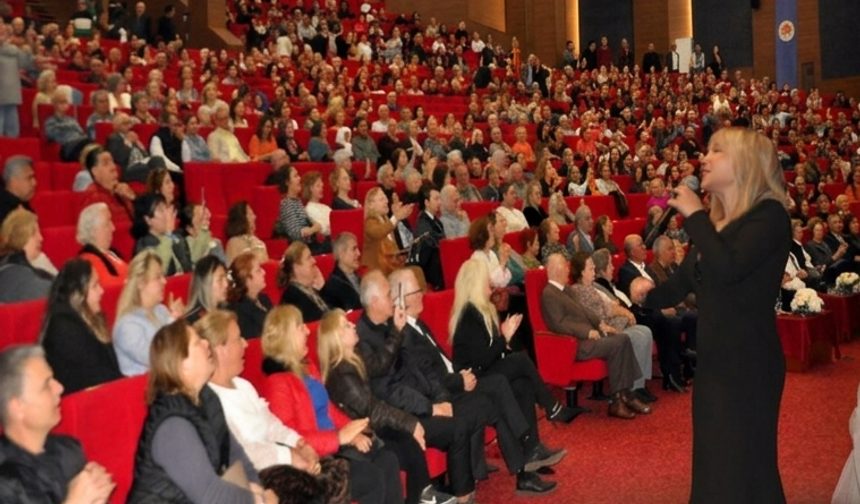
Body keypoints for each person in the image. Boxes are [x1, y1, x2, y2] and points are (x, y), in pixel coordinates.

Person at [634, 128, 790, 503]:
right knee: (713, 465)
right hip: (716, 364)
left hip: (750, 365)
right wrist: (646, 295)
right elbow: (686, 281)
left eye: (716, 150)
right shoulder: (716, 225)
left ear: (745, 164)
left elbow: (728, 268)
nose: (704, 157)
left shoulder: (769, 217)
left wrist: (695, 215)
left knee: (744, 468)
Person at [390, 268, 559, 495]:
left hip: (458, 380)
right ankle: (527, 453)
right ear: (401, 299)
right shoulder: (403, 335)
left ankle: (526, 462)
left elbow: (443, 366)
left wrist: (461, 377)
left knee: (509, 387)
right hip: (446, 393)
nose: (422, 294)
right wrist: (460, 381)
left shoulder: (418, 325)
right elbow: (427, 381)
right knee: (498, 387)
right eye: (416, 291)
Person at [199, 310, 350, 504]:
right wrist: (290, 456)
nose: (245, 344)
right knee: (330, 483)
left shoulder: (243, 386)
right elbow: (242, 454)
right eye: (238, 339)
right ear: (221, 349)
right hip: (257, 477)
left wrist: (299, 444)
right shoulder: (209, 402)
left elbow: (271, 425)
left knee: (337, 471)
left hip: (278, 460)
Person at [259, 305, 404, 504]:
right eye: (301, 327)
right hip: (317, 457)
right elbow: (291, 438)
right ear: (287, 336)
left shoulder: (307, 366)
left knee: (388, 459)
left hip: (334, 444)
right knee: (371, 477)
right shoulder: (277, 382)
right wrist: (339, 438)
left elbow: (329, 409)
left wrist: (353, 433)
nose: (308, 331)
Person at [126, 318, 278, 504]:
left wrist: (260, 490)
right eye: (198, 342)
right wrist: (255, 500)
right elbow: (209, 495)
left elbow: (235, 456)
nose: (206, 343)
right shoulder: (173, 427)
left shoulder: (206, 398)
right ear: (183, 365)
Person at [319, 307, 458, 504]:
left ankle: (423, 497)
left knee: (408, 441)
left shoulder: (353, 358)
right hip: (361, 434)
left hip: (371, 426)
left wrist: (396, 331)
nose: (352, 325)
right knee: (403, 444)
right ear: (336, 338)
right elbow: (371, 410)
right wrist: (410, 423)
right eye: (346, 325)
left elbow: (381, 364)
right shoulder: (342, 373)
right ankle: (423, 497)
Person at [450, 258, 582, 425]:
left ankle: (533, 445)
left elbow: (490, 352)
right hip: (473, 378)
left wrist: (505, 339)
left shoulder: (482, 310)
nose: (490, 283)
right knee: (519, 360)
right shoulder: (469, 315)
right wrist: (504, 337)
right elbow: (483, 359)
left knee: (523, 382)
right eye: (486, 280)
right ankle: (552, 407)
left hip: (485, 368)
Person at [0, 345, 116, 503]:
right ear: (18, 407)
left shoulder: (68, 450)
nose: (59, 388)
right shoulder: (6, 481)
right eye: (46, 385)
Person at [541, 253, 648, 419]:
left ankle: (625, 394)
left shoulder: (566, 290)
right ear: (555, 269)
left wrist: (599, 324)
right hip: (575, 344)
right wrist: (586, 331)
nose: (568, 268)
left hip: (586, 339)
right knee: (619, 342)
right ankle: (617, 401)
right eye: (564, 265)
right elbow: (558, 324)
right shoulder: (549, 294)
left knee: (623, 339)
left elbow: (585, 311)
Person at [568, 251, 656, 403]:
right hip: (605, 329)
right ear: (581, 271)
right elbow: (602, 314)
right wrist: (623, 314)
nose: (594, 271)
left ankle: (640, 385)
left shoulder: (592, 286)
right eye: (591, 268)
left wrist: (617, 311)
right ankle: (634, 388)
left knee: (646, 331)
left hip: (614, 323)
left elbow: (611, 306)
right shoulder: (579, 290)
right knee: (639, 337)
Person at [39, 258, 122, 395]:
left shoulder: (87, 319)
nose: (101, 291)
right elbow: (97, 377)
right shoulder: (64, 329)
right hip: (81, 403)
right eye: (95, 286)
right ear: (78, 294)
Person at [112, 250, 184, 376]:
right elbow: (158, 359)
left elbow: (181, 349)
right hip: (142, 391)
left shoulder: (161, 310)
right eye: (157, 277)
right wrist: (173, 322)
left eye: (163, 276)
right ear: (140, 283)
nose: (164, 281)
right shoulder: (127, 325)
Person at [132, 193, 193, 276]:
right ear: (148, 220)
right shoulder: (144, 244)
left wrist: (201, 229)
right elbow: (158, 272)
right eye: (161, 210)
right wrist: (168, 232)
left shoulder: (173, 236)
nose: (167, 214)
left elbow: (191, 261)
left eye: (166, 208)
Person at [0, 208, 54, 302]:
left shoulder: (15, 267)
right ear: (20, 236)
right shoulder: (17, 275)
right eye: (34, 233)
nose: (40, 238)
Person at [277, 165, 331, 255]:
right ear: (287, 182)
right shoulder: (287, 204)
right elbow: (296, 233)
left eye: (298, 175)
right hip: (301, 250)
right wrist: (314, 228)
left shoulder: (297, 201)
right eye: (295, 176)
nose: (299, 178)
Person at [362, 187, 412, 275]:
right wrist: (396, 217)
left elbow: (394, 246)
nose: (386, 201)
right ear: (371, 205)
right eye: (381, 199)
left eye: (385, 198)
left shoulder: (385, 220)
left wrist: (398, 218)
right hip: (377, 270)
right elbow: (379, 232)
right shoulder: (369, 222)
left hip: (390, 265)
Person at [81, 146, 136, 223]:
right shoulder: (92, 198)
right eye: (106, 163)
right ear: (95, 171)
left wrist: (133, 199)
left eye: (112, 162)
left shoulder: (121, 191)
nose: (113, 167)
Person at [278, 241, 329, 322]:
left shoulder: (310, 289)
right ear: (296, 267)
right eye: (308, 258)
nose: (314, 261)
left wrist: (323, 288)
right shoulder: (292, 297)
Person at [77, 202, 129, 281]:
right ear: (93, 230)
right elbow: (110, 287)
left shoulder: (110, 253)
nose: (113, 228)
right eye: (107, 223)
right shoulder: (89, 261)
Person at [226, 251, 273, 338]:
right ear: (247, 279)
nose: (264, 272)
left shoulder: (264, 298)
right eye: (258, 270)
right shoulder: (239, 311)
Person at [412, 185, 446, 289]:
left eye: (440, 198)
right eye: (436, 199)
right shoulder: (423, 223)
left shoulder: (436, 221)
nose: (440, 202)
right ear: (426, 202)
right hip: (431, 269)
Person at [320, 232, 363, 311]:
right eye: (354, 249)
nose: (358, 253)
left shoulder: (359, 277)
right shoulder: (332, 287)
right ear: (341, 254)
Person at [184, 256, 229, 324]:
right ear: (206, 283)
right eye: (220, 280)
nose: (226, 284)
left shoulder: (227, 309)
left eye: (226, 278)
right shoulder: (196, 321)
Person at [225, 201, 270, 265]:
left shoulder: (259, 242)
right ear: (241, 219)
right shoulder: (233, 243)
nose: (255, 217)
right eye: (250, 214)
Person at [0, 155, 36, 225]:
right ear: (13, 181)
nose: (34, 183)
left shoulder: (22, 205)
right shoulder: (5, 212)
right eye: (29, 178)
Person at [303, 171, 333, 240]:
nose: (321, 189)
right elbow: (323, 228)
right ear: (311, 188)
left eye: (321, 186)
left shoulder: (326, 207)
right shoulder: (309, 208)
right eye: (318, 186)